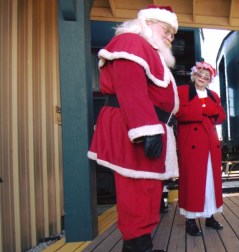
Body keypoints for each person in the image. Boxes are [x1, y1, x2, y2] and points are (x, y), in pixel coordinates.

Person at [87, 5, 179, 252]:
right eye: (167, 30)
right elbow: (130, 88)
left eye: (173, 33)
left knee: (148, 190)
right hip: (137, 127)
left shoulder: (146, 49)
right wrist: (147, 130)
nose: (171, 37)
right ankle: (136, 247)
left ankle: (141, 245)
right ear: (148, 22)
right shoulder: (131, 42)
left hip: (149, 125)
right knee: (136, 192)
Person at [176, 61, 226, 236]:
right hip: (191, 144)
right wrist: (204, 110)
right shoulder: (182, 91)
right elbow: (179, 113)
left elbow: (221, 116)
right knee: (193, 182)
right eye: (200, 75)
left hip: (211, 145)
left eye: (207, 76)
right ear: (194, 75)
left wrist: (204, 109)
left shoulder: (213, 95)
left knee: (210, 182)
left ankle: (210, 216)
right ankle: (190, 221)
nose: (203, 78)